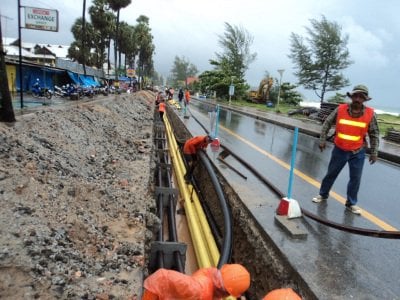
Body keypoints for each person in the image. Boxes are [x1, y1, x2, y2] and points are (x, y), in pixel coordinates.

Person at [312, 84, 379, 215]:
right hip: (340, 149)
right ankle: (323, 194)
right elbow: (327, 123)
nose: (358, 99)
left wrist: (374, 152)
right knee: (331, 173)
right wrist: (322, 139)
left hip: (358, 151)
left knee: (355, 178)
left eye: (361, 97)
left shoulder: (370, 113)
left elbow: (374, 133)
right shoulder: (341, 109)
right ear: (351, 97)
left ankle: (351, 203)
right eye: (356, 96)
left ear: (365, 99)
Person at [142, 264, 250, 300]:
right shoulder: (198, 288)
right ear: (225, 290)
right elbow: (162, 277)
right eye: (228, 294)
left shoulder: (212, 275)